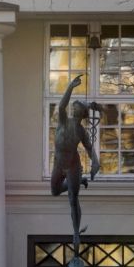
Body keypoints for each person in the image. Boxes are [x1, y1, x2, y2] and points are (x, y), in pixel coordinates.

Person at [51, 73, 101, 248]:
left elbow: (89, 148)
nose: (74, 108)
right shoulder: (64, 121)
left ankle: (76, 233)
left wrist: (95, 162)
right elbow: (61, 106)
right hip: (59, 163)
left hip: (73, 164)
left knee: (73, 198)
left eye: (77, 107)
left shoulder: (81, 131)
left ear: (82, 113)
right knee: (55, 191)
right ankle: (79, 181)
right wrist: (70, 87)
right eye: (74, 106)